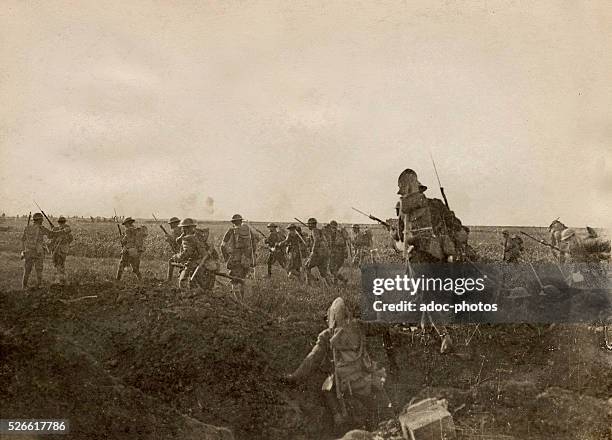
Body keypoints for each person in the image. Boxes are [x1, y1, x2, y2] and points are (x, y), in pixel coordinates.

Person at [283, 297, 393, 430]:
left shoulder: (327, 335)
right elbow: (382, 325)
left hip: (344, 383)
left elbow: (312, 359)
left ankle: (337, 417)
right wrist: (381, 311)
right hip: (366, 378)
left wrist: (294, 377)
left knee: (326, 388)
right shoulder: (360, 326)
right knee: (380, 409)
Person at [170, 218, 219, 291]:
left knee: (182, 283)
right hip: (208, 264)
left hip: (195, 265)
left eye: (182, 228)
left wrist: (176, 257)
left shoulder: (187, 238)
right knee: (207, 288)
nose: (181, 229)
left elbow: (187, 253)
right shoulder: (201, 236)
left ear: (185, 228)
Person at [221, 214, 258, 298]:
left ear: (233, 222)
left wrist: (226, 258)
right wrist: (251, 257)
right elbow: (254, 245)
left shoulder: (231, 230)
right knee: (244, 279)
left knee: (234, 280)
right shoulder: (248, 230)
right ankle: (244, 300)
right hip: (247, 258)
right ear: (241, 221)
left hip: (235, 258)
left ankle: (239, 302)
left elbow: (222, 246)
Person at [21, 212, 53, 289]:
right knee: (39, 269)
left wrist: (23, 251)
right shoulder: (41, 228)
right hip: (38, 252)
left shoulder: (27, 228)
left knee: (27, 271)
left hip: (28, 251)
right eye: (41, 219)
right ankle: (39, 285)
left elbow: (23, 240)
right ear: (40, 220)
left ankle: (24, 286)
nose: (42, 221)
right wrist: (58, 230)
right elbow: (51, 235)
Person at [305, 217, 331, 284]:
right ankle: (332, 286)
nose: (308, 226)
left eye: (309, 224)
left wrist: (313, 251)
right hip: (325, 254)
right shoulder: (319, 231)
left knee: (307, 266)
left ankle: (310, 283)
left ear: (312, 224)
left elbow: (316, 241)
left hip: (317, 253)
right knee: (323, 273)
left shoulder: (314, 231)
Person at [50, 216, 73, 285]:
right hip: (58, 249)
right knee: (58, 264)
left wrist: (54, 231)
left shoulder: (67, 228)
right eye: (60, 222)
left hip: (62, 249)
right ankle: (62, 280)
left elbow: (65, 234)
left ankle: (61, 281)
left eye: (61, 222)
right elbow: (52, 237)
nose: (61, 223)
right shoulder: (58, 228)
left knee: (60, 264)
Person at [165, 217, 182, 281]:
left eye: (171, 224)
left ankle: (169, 280)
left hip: (182, 252)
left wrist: (169, 239)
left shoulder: (176, 230)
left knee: (170, 261)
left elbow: (176, 242)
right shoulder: (181, 229)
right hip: (182, 251)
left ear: (175, 223)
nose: (170, 225)